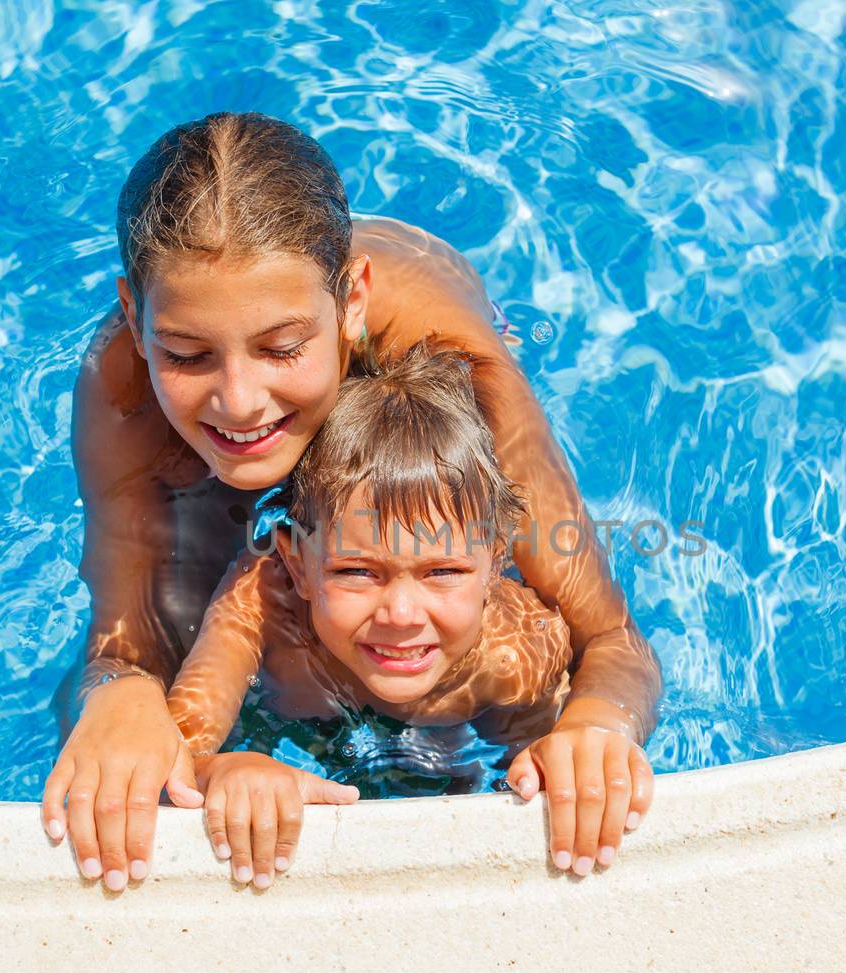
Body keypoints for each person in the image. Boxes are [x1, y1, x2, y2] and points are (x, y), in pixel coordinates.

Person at [40, 111, 661, 892]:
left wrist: (595, 726)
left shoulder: (461, 363)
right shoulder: (123, 396)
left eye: (280, 347)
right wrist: (120, 694)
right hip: (228, 427)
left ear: (353, 299)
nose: (238, 402)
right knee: (206, 625)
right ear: (136, 320)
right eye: (188, 354)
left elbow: (610, 635)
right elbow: (116, 649)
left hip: (404, 379)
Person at [171, 339, 603, 888]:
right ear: (296, 564)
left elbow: (542, 767)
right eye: (356, 572)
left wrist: (554, 758)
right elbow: (175, 753)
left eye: (443, 572)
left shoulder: (515, 654)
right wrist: (227, 769)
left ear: (496, 565)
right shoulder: (260, 604)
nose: (400, 614)